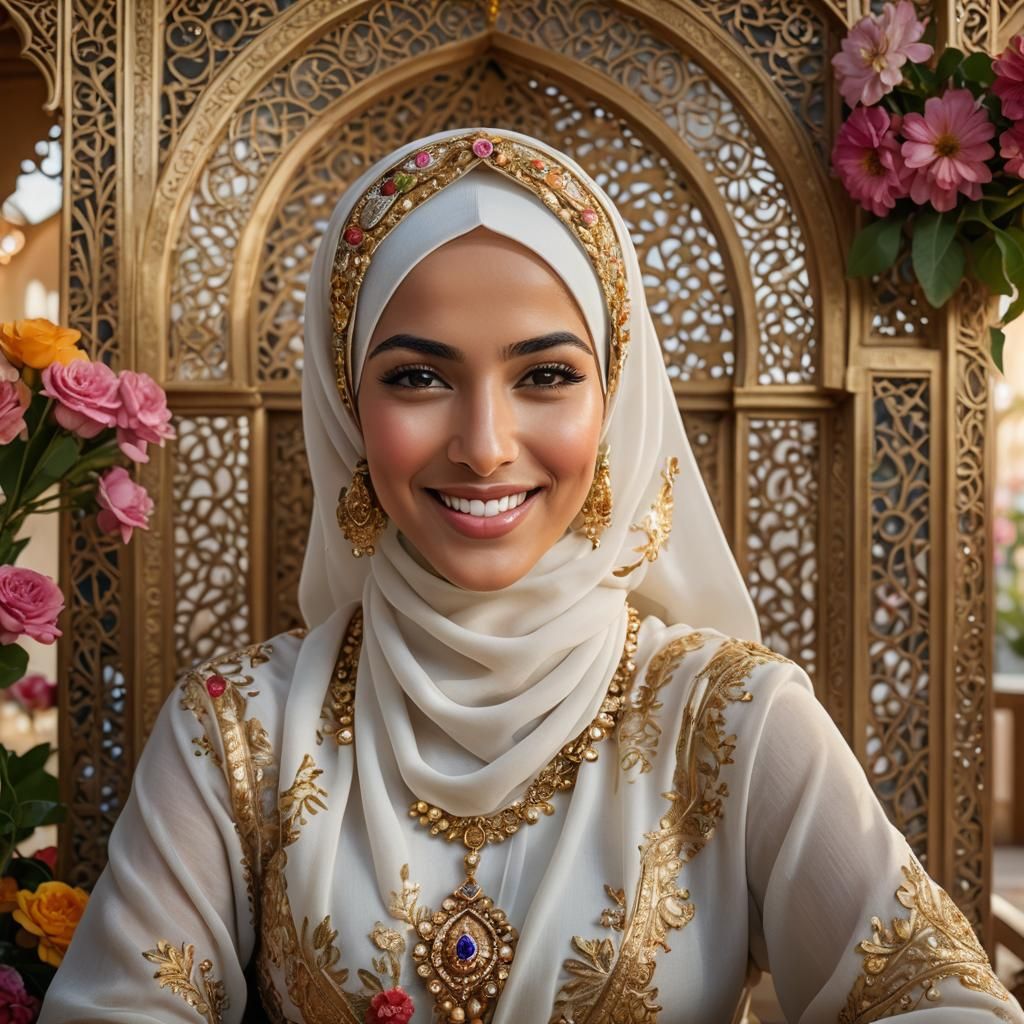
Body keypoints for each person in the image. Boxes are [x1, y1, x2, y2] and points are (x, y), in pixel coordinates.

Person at [39, 127, 1023, 1024]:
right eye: (417, 377)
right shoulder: (239, 730)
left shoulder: (729, 720)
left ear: (616, 400)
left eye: (545, 375)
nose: (482, 444)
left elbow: (941, 1003)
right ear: (345, 408)